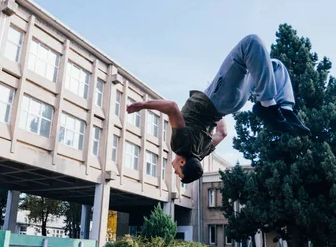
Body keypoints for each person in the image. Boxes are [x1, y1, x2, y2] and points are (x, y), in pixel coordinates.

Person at [126, 34, 309, 184]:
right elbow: (172, 107)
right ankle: (269, 106)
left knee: (272, 65)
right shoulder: (179, 145)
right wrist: (143, 105)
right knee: (251, 43)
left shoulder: (202, 151)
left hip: (231, 104)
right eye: (178, 172)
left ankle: (285, 108)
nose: (174, 171)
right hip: (219, 98)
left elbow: (222, 133)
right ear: (182, 162)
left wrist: (220, 106)